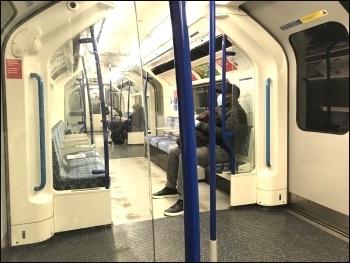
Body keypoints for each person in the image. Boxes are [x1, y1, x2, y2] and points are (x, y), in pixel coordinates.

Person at [152, 83, 248, 216]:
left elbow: (224, 133)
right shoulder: (221, 109)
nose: (220, 96)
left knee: (186, 156)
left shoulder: (237, 112)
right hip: (210, 144)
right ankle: (170, 186)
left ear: (232, 96)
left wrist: (200, 124)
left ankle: (184, 200)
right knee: (175, 151)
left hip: (224, 150)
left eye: (224, 94)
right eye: (220, 93)